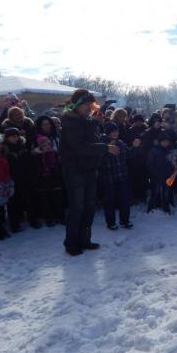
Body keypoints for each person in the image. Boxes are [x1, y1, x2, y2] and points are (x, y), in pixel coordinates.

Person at [60, 89, 119, 256]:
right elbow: (79, 146)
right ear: (77, 105)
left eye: (90, 104)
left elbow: (90, 138)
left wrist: (94, 123)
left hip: (89, 169)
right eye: (86, 104)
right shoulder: (70, 121)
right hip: (74, 169)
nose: (89, 107)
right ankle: (71, 243)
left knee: (89, 206)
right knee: (77, 207)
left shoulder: (85, 120)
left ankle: (85, 240)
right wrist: (105, 148)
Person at [100, 122, 139, 229]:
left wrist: (135, 147)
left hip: (122, 176)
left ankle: (125, 221)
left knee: (124, 200)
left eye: (116, 131)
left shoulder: (120, 143)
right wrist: (107, 150)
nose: (115, 133)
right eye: (112, 131)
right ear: (107, 132)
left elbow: (129, 154)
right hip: (108, 177)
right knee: (109, 201)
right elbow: (98, 160)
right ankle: (111, 223)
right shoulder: (102, 144)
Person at [4, 127, 38, 231]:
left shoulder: (24, 146)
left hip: (26, 177)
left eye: (16, 136)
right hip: (12, 179)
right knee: (13, 202)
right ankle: (14, 224)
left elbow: (30, 162)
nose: (15, 138)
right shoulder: (5, 149)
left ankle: (33, 220)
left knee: (30, 200)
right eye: (12, 136)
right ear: (7, 138)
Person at [32, 135, 64, 227]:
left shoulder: (54, 153)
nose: (47, 146)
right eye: (44, 145)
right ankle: (48, 218)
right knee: (46, 201)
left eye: (48, 144)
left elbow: (59, 164)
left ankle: (60, 217)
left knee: (58, 199)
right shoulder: (37, 155)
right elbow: (35, 168)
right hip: (43, 180)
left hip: (55, 179)